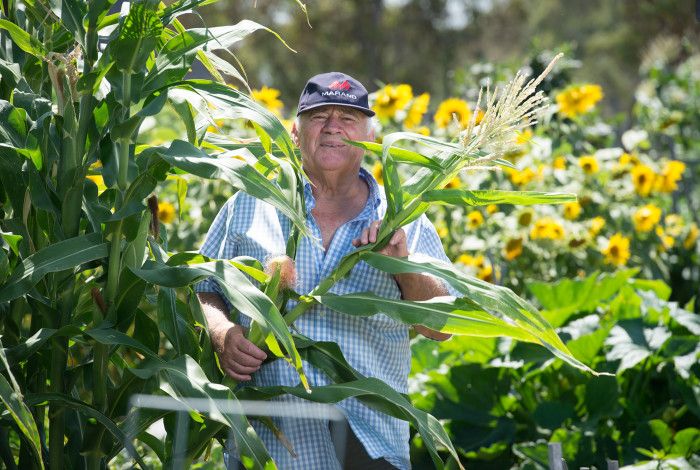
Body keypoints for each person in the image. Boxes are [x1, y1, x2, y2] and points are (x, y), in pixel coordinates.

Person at [196, 72, 454, 470]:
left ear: (368, 136)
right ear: (296, 133)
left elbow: (440, 325)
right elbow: (203, 285)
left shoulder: (403, 219)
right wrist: (221, 332)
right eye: (319, 116)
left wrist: (402, 263)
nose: (333, 127)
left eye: (348, 117)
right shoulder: (252, 202)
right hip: (269, 447)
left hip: (370, 446)